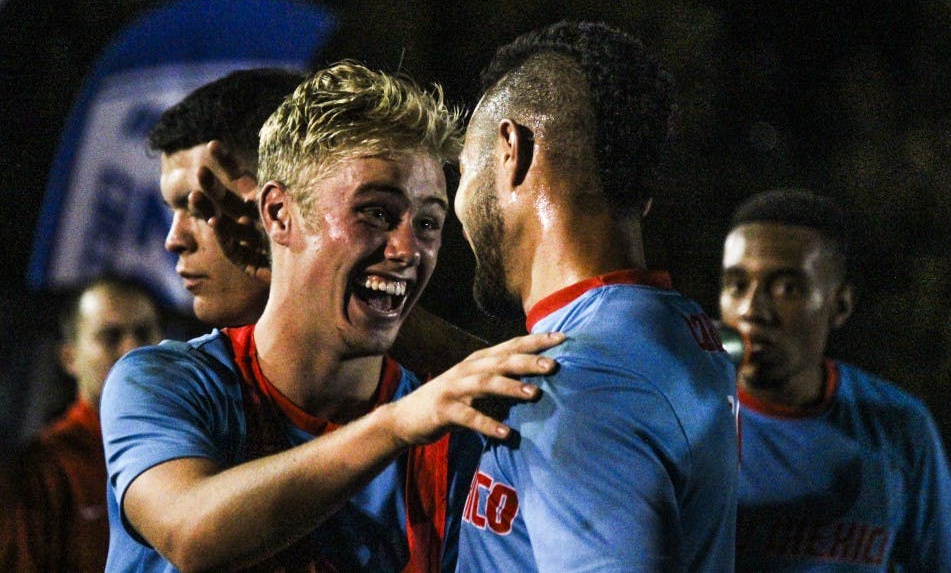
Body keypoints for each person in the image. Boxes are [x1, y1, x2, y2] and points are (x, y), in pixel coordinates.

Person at [102, 61, 563, 571]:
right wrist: (397, 425)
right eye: (376, 213)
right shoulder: (165, 383)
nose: (409, 250)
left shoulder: (450, 435)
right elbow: (192, 535)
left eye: (429, 222)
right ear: (278, 215)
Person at [453, 21, 739, 571]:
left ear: (511, 151)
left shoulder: (581, 387)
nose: (459, 203)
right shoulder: (671, 330)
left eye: (465, 170)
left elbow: (588, 397)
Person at [150, 66, 484, 375]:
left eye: (199, 207)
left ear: (277, 208)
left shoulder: (435, 397)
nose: (174, 239)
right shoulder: (170, 384)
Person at [719, 188, 951, 571]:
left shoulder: (899, 425)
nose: (752, 309)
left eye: (786, 287)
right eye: (737, 285)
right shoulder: (681, 421)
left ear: (840, 305)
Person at [0, 275, 161, 572]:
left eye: (143, 332)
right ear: (69, 358)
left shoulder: (192, 447)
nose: (132, 350)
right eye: (110, 336)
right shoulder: (41, 470)